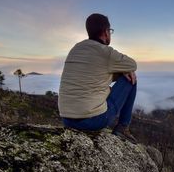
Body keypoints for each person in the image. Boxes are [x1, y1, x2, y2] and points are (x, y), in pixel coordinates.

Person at [58, 13, 138, 143]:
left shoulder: (76, 48)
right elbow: (132, 64)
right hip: (92, 121)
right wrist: (125, 72)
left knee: (125, 75)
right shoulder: (105, 52)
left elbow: (94, 75)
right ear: (106, 32)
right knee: (130, 80)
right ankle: (123, 128)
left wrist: (118, 73)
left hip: (67, 119)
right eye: (110, 31)